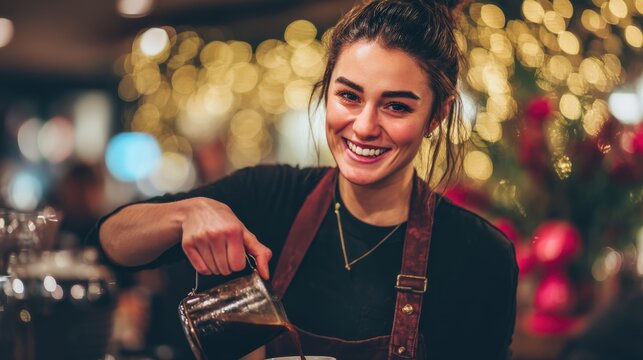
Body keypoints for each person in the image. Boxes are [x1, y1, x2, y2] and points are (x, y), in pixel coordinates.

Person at [90, 0, 518, 359]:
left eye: (397, 107)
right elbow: (107, 243)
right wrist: (187, 212)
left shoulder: (479, 256)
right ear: (326, 89)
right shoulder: (269, 196)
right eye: (349, 95)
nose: (365, 126)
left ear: (435, 116)